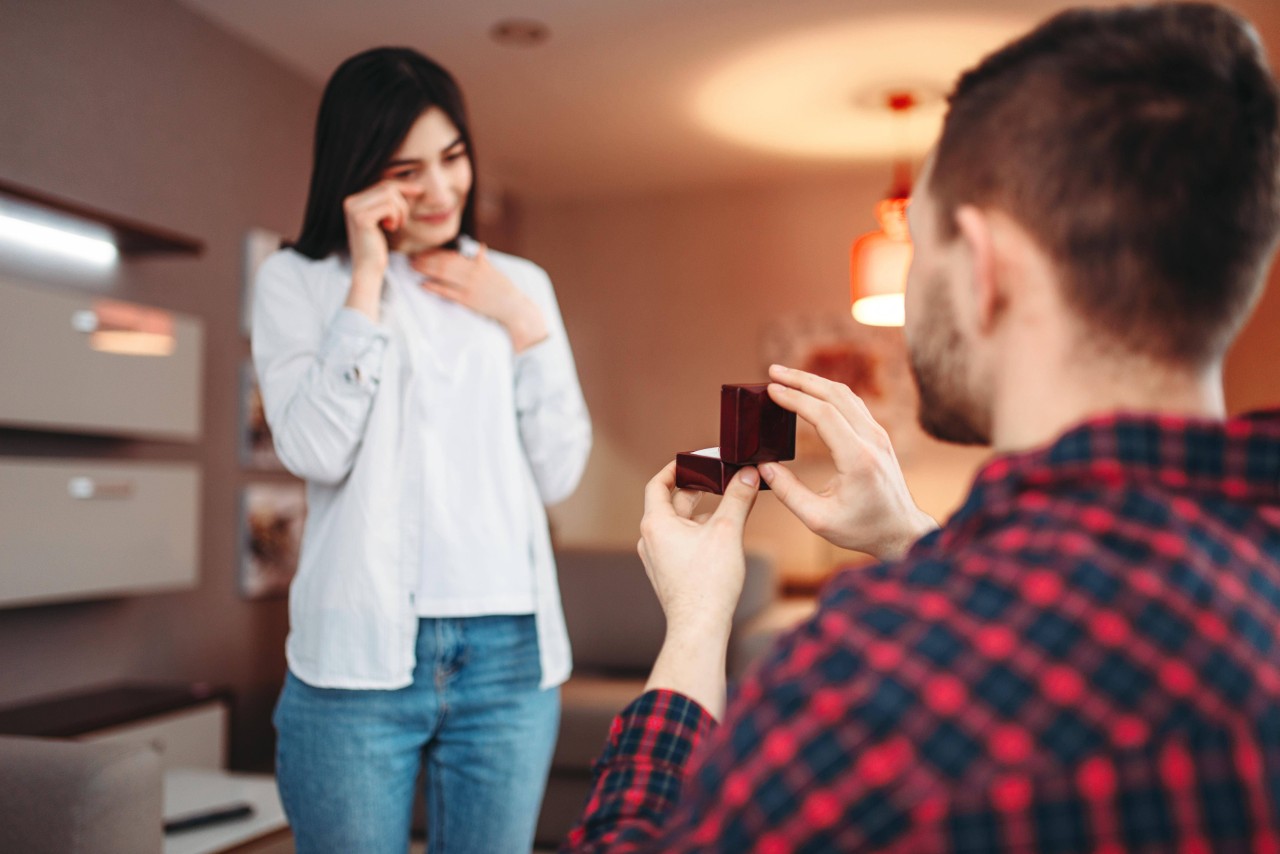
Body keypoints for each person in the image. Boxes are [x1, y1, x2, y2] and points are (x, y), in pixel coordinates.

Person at [563, 3, 1280, 851]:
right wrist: (912, 536)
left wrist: (693, 625)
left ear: (981, 267)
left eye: (924, 253)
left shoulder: (873, 683)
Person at [251, 47, 591, 853]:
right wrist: (365, 282)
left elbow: (560, 468)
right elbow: (313, 450)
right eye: (408, 171)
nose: (441, 192)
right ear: (359, 172)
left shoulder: (520, 284)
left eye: (453, 157)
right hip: (357, 659)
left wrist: (523, 324)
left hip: (509, 654)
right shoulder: (297, 282)